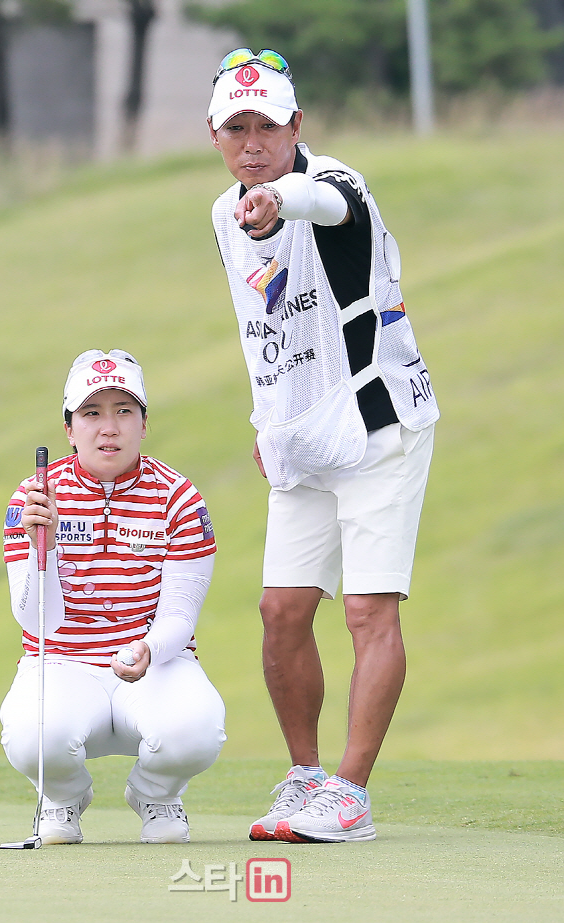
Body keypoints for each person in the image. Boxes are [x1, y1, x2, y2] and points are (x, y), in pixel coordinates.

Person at [207, 49, 439, 843]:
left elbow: (321, 202)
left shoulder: (336, 183)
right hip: (302, 440)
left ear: (295, 125)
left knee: (370, 610)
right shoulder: (220, 216)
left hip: (379, 425)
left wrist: (279, 197)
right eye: (235, 128)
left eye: (266, 124)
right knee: (280, 612)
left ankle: (350, 791)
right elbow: (263, 331)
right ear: (215, 136)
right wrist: (269, 425)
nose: (251, 142)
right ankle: (305, 777)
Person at [1, 348, 226, 845]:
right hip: (62, 662)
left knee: (197, 731)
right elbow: (39, 622)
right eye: (92, 413)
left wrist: (150, 649)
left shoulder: (178, 496)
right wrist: (47, 549)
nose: (109, 427)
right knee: (34, 738)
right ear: (69, 427)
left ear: (144, 424)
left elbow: (180, 612)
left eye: (124, 411)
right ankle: (63, 799)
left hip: (153, 663)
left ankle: (155, 793)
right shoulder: (34, 498)